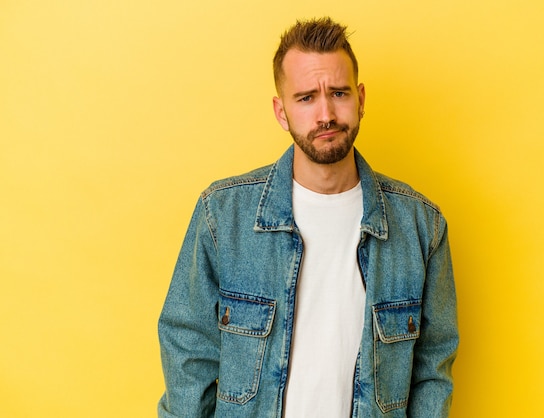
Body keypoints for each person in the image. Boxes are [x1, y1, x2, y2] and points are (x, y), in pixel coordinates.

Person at [158, 17, 458, 418]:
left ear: (361, 98)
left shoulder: (421, 226)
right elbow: (188, 355)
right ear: (281, 112)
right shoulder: (223, 215)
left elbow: (432, 370)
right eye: (305, 98)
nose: (326, 114)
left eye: (338, 93)